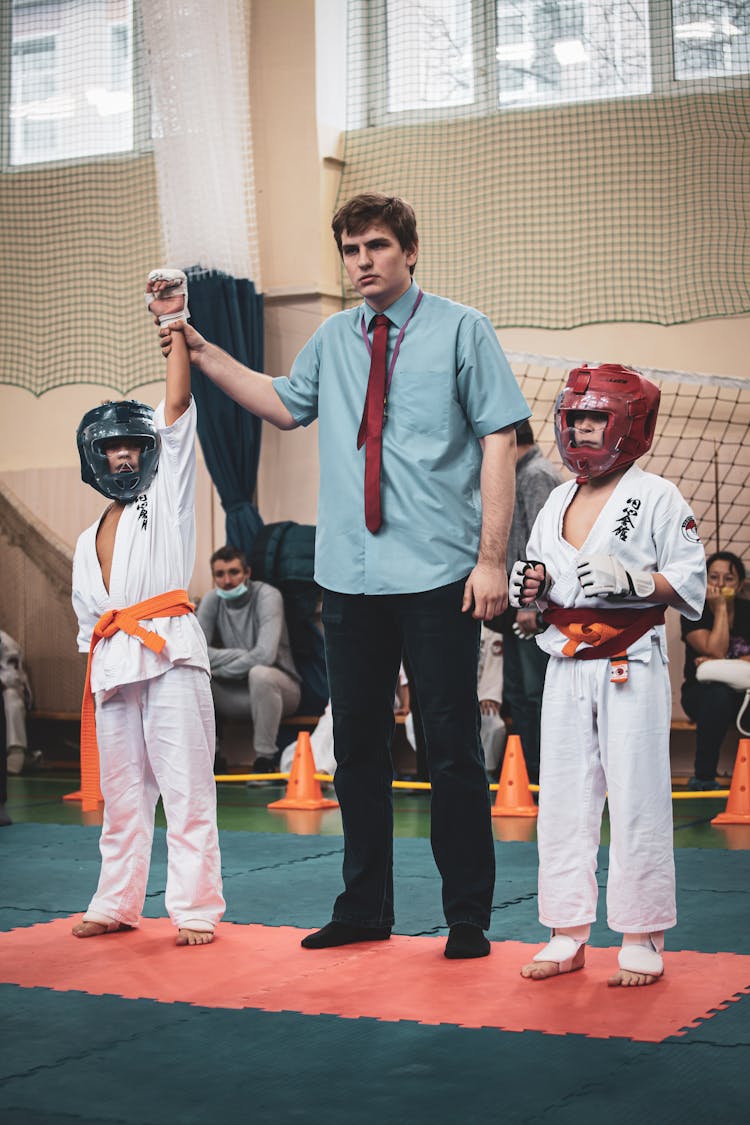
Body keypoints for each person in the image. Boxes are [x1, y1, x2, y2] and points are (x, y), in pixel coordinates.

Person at [158, 193, 530, 959]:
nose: (363, 261)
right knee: (357, 746)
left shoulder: (464, 329)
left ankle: (467, 915)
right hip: (349, 579)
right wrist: (200, 348)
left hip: (437, 574)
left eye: (377, 246)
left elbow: (500, 443)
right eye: (351, 249)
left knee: (451, 745)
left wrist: (491, 559)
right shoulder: (331, 339)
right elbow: (283, 404)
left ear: (410, 250)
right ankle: (364, 907)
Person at [510, 363, 705, 986]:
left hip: (631, 661)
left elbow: (690, 581)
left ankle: (642, 933)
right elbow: (540, 585)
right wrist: (532, 588)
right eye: (577, 418)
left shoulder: (658, 496)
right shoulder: (556, 499)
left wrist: (639, 581)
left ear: (628, 426)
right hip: (566, 663)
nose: (585, 429)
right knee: (564, 798)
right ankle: (566, 933)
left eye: (598, 418)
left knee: (636, 794)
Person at [70, 269, 225, 946]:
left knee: (187, 788)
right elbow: (89, 630)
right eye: (112, 447)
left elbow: (177, 409)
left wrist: (172, 321)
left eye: (132, 443)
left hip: (169, 652)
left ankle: (194, 908)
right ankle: (116, 900)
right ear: (94, 458)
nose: (125, 453)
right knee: (124, 796)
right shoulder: (86, 539)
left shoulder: (167, 497)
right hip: (112, 663)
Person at [494, 419, 562, 783]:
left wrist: (530, 605)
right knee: (517, 693)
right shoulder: (519, 473)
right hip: (514, 601)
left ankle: (541, 774)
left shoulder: (535, 474)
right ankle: (525, 772)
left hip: (531, 606)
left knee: (535, 692)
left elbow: (544, 546)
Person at [197, 545, 301, 774]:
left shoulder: (268, 596)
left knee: (260, 673)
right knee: (194, 675)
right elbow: (196, 652)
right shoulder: (212, 600)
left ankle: (265, 760)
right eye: (220, 574)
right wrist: (242, 655)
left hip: (281, 690)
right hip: (234, 694)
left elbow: (265, 655)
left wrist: (219, 668)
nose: (227, 580)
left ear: (247, 573)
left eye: (234, 572)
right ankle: (212, 757)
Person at [681, 551, 750, 789]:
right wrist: (721, 609)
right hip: (701, 694)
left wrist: (716, 664)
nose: (720, 584)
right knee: (717, 694)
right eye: (714, 577)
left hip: (744, 695)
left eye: (728, 579)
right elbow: (718, 651)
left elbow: (715, 657)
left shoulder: (747, 610)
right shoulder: (693, 611)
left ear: (740, 584)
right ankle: (704, 777)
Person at [1, 629, 33, 776]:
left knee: (11, 698)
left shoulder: (5, 643)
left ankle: (16, 754)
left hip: (13, 692)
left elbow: (13, 678)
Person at [477, 625, 506, 779]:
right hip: (453, 695)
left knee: (492, 722)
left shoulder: (490, 628)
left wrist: (489, 695)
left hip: (482, 695)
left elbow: (495, 661)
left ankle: (486, 772)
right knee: (412, 721)